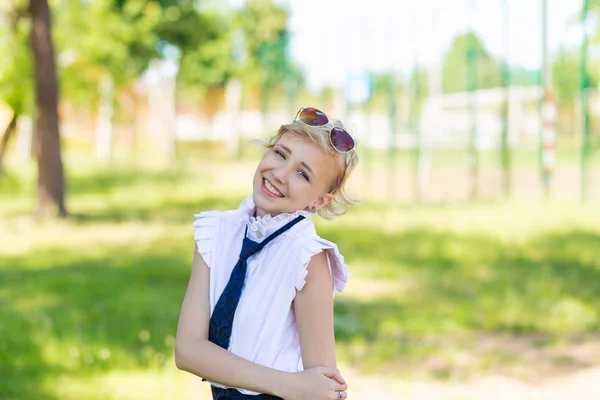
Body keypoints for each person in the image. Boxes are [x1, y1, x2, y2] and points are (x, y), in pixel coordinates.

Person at [175, 107, 359, 400]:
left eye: (302, 173)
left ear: (320, 199)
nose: (280, 174)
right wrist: (285, 383)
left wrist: (287, 389)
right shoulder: (216, 232)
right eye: (280, 154)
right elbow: (188, 351)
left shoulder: (306, 257)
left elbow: (322, 387)